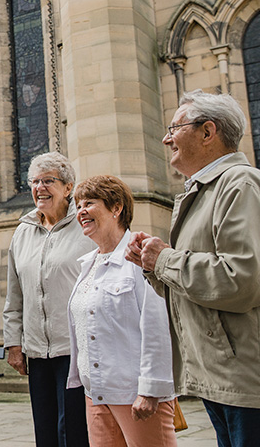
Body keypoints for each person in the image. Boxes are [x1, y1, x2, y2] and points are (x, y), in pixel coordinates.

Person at [126, 90, 260, 447]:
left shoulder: (243, 185)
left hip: (252, 383)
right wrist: (152, 265)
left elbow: (241, 282)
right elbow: (201, 285)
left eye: (175, 127)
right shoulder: (209, 190)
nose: (166, 138)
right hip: (227, 379)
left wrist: (164, 259)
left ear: (208, 132)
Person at [68, 175, 176, 447]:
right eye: (78, 205)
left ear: (116, 208)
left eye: (89, 203)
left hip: (135, 395)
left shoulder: (141, 255)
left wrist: (151, 390)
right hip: (96, 395)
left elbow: (158, 327)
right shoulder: (88, 265)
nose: (81, 211)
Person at [3, 152, 96, 447]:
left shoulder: (86, 227)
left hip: (75, 349)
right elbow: (14, 293)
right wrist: (13, 343)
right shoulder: (22, 232)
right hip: (37, 352)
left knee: (72, 430)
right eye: (35, 182)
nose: (40, 188)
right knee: (44, 430)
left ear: (68, 187)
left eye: (48, 181)